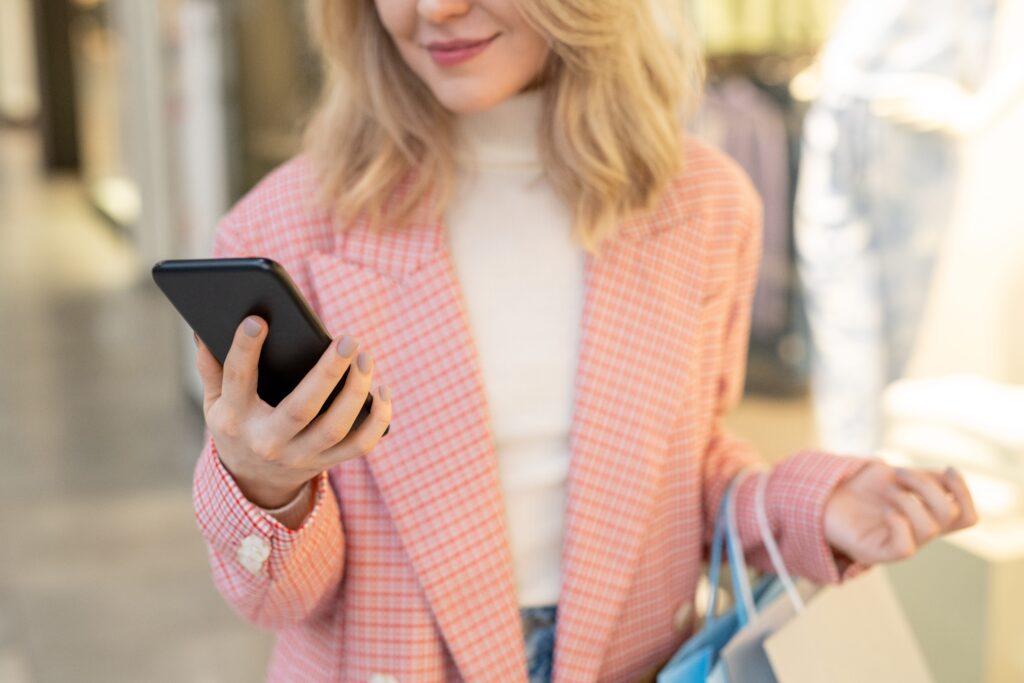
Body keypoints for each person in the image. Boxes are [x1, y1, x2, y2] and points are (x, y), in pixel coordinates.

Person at [190, 1, 978, 681]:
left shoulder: (703, 207)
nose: (433, 9)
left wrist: (816, 502)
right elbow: (280, 598)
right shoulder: (283, 229)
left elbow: (687, 468)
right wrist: (263, 484)